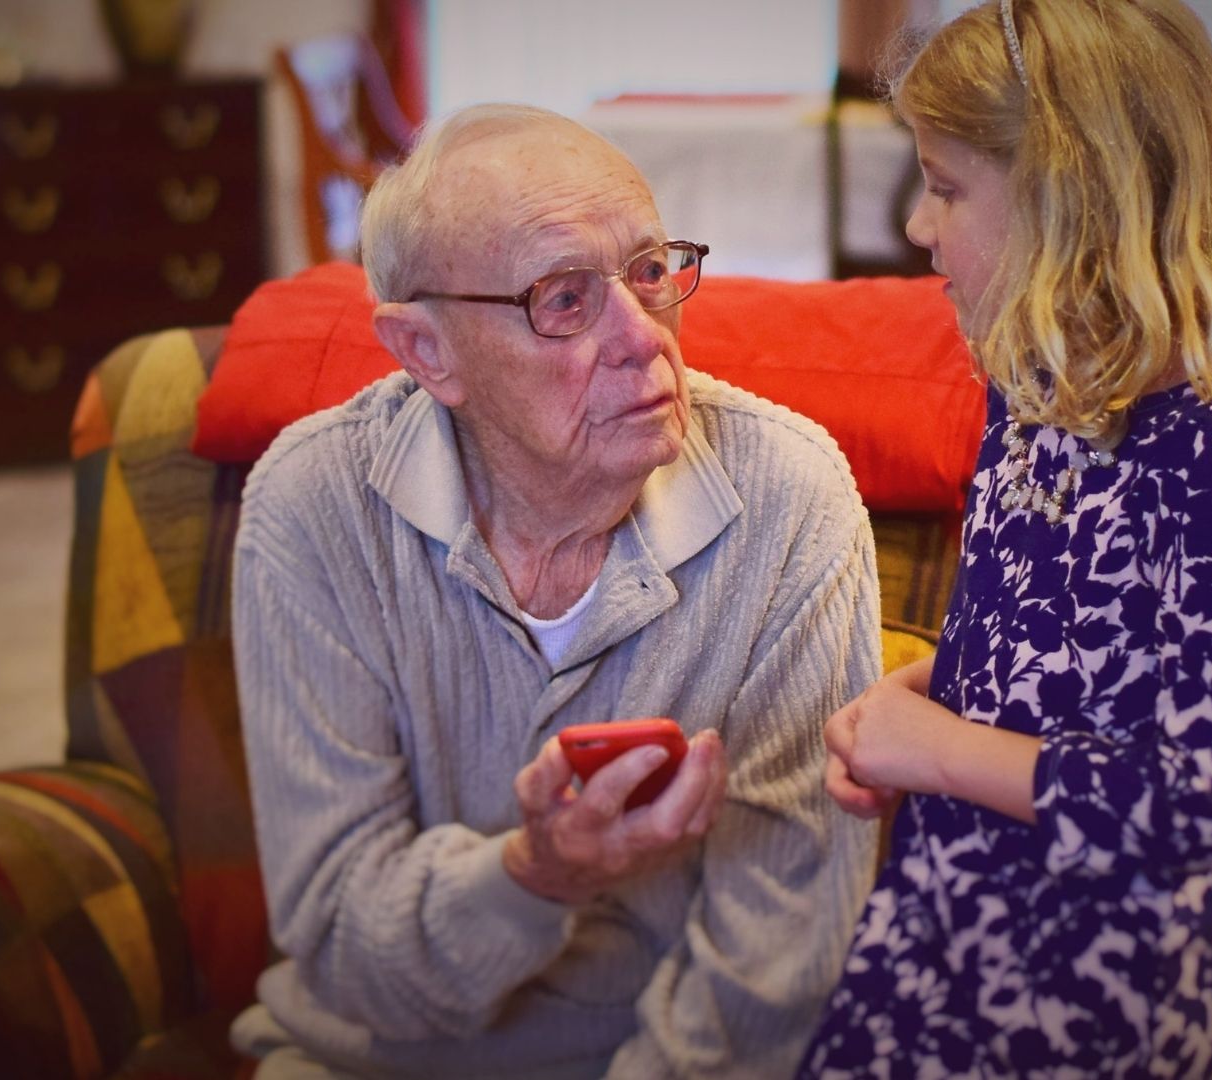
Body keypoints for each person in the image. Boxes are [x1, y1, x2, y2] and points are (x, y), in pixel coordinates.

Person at [229, 103, 882, 1079]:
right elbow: (341, 949)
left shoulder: (788, 499)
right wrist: (535, 878)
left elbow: (774, 966)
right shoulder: (315, 504)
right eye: (564, 299)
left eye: (652, 272)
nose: (642, 337)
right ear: (426, 353)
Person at [800, 1, 1212, 1076]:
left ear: (1075, 201)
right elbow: (1019, 664)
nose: (919, 225)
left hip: (1093, 1003)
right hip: (940, 935)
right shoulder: (1031, 389)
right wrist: (908, 704)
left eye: (947, 187)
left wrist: (943, 754)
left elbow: (1210, 809)